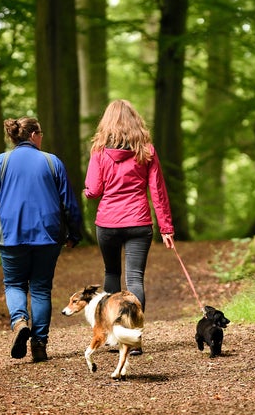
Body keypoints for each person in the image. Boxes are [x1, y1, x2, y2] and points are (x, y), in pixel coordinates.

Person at [0, 117, 82, 363]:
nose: (42, 137)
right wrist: (74, 233)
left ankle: (20, 322)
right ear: (34, 135)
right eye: (41, 133)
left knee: (14, 284)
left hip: (11, 235)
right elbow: (68, 202)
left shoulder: (0, 162)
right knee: (41, 288)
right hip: (47, 236)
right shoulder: (51, 161)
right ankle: (39, 344)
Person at [84, 99, 175, 356]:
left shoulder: (99, 151)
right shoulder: (146, 150)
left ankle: (114, 336)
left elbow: (94, 191)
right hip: (139, 222)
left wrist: (87, 191)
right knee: (135, 278)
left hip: (108, 223)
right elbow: (157, 191)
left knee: (111, 273)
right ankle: (134, 338)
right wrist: (166, 227)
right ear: (136, 122)